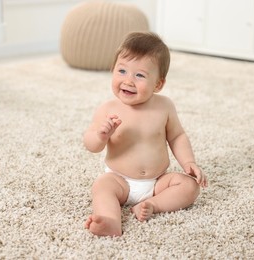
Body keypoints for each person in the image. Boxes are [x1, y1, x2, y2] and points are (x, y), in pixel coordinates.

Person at [83, 32, 208, 237]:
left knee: (189, 187)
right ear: (112, 71)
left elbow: (177, 136)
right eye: (122, 71)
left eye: (139, 75)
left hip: (157, 182)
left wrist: (189, 162)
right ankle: (111, 221)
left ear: (158, 84)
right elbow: (90, 144)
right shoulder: (107, 108)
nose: (128, 81)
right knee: (101, 186)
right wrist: (101, 135)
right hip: (119, 180)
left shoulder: (164, 106)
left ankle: (152, 205)